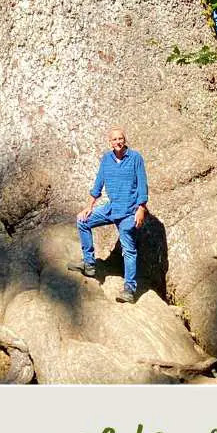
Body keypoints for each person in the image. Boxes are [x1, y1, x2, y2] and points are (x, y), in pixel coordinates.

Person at [69, 127, 148, 303]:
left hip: (129, 211)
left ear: (124, 140)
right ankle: (89, 264)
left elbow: (142, 185)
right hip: (112, 208)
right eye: (114, 139)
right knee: (83, 221)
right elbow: (98, 185)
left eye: (121, 138)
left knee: (128, 249)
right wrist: (89, 206)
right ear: (110, 142)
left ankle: (129, 289)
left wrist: (141, 208)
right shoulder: (106, 160)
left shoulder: (135, 158)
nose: (118, 142)